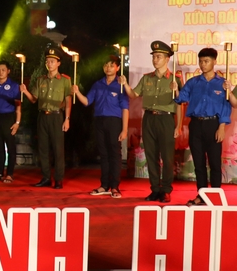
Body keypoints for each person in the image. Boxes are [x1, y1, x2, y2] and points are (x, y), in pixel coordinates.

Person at [120, 40, 182, 203]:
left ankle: (166, 190)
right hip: (148, 118)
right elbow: (133, 95)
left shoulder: (175, 79)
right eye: (154, 56)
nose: (155, 59)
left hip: (166, 119)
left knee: (167, 157)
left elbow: (180, 103)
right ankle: (155, 189)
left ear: (167, 58)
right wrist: (125, 84)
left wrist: (178, 125)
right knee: (151, 155)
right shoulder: (147, 78)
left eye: (159, 56)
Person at [172, 47, 230, 206]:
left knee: (215, 163)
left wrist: (222, 127)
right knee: (199, 163)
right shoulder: (193, 82)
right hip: (196, 125)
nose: (203, 64)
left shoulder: (222, 83)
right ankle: (201, 195)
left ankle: (215, 196)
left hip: (213, 125)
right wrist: (175, 90)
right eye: (201, 61)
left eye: (206, 61)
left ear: (214, 61)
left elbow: (226, 106)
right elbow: (180, 99)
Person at [72, 55, 129, 198]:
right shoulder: (98, 84)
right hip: (99, 121)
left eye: (111, 65)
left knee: (114, 154)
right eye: (106, 65)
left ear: (117, 68)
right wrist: (77, 92)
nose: (108, 68)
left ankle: (115, 187)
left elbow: (125, 109)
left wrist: (124, 129)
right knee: (103, 154)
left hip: (114, 121)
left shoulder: (120, 85)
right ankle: (104, 185)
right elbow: (87, 101)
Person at [19, 47, 72, 189]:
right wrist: (25, 91)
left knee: (58, 149)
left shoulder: (65, 80)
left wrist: (67, 119)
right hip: (42, 116)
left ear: (58, 63)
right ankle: (46, 177)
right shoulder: (40, 80)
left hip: (57, 117)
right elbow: (33, 99)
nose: (49, 64)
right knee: (43, 149)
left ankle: (58, 179)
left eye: (52, 61)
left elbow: (68, 101)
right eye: (48, 61)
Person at [0, 60, 21, 183]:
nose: (0, 72)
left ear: (8, 71)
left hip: (8, 117)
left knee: (10, 147)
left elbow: (18, 105)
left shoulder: (14, 85)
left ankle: (10, 173)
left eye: (3, 70)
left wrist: (17, 122)